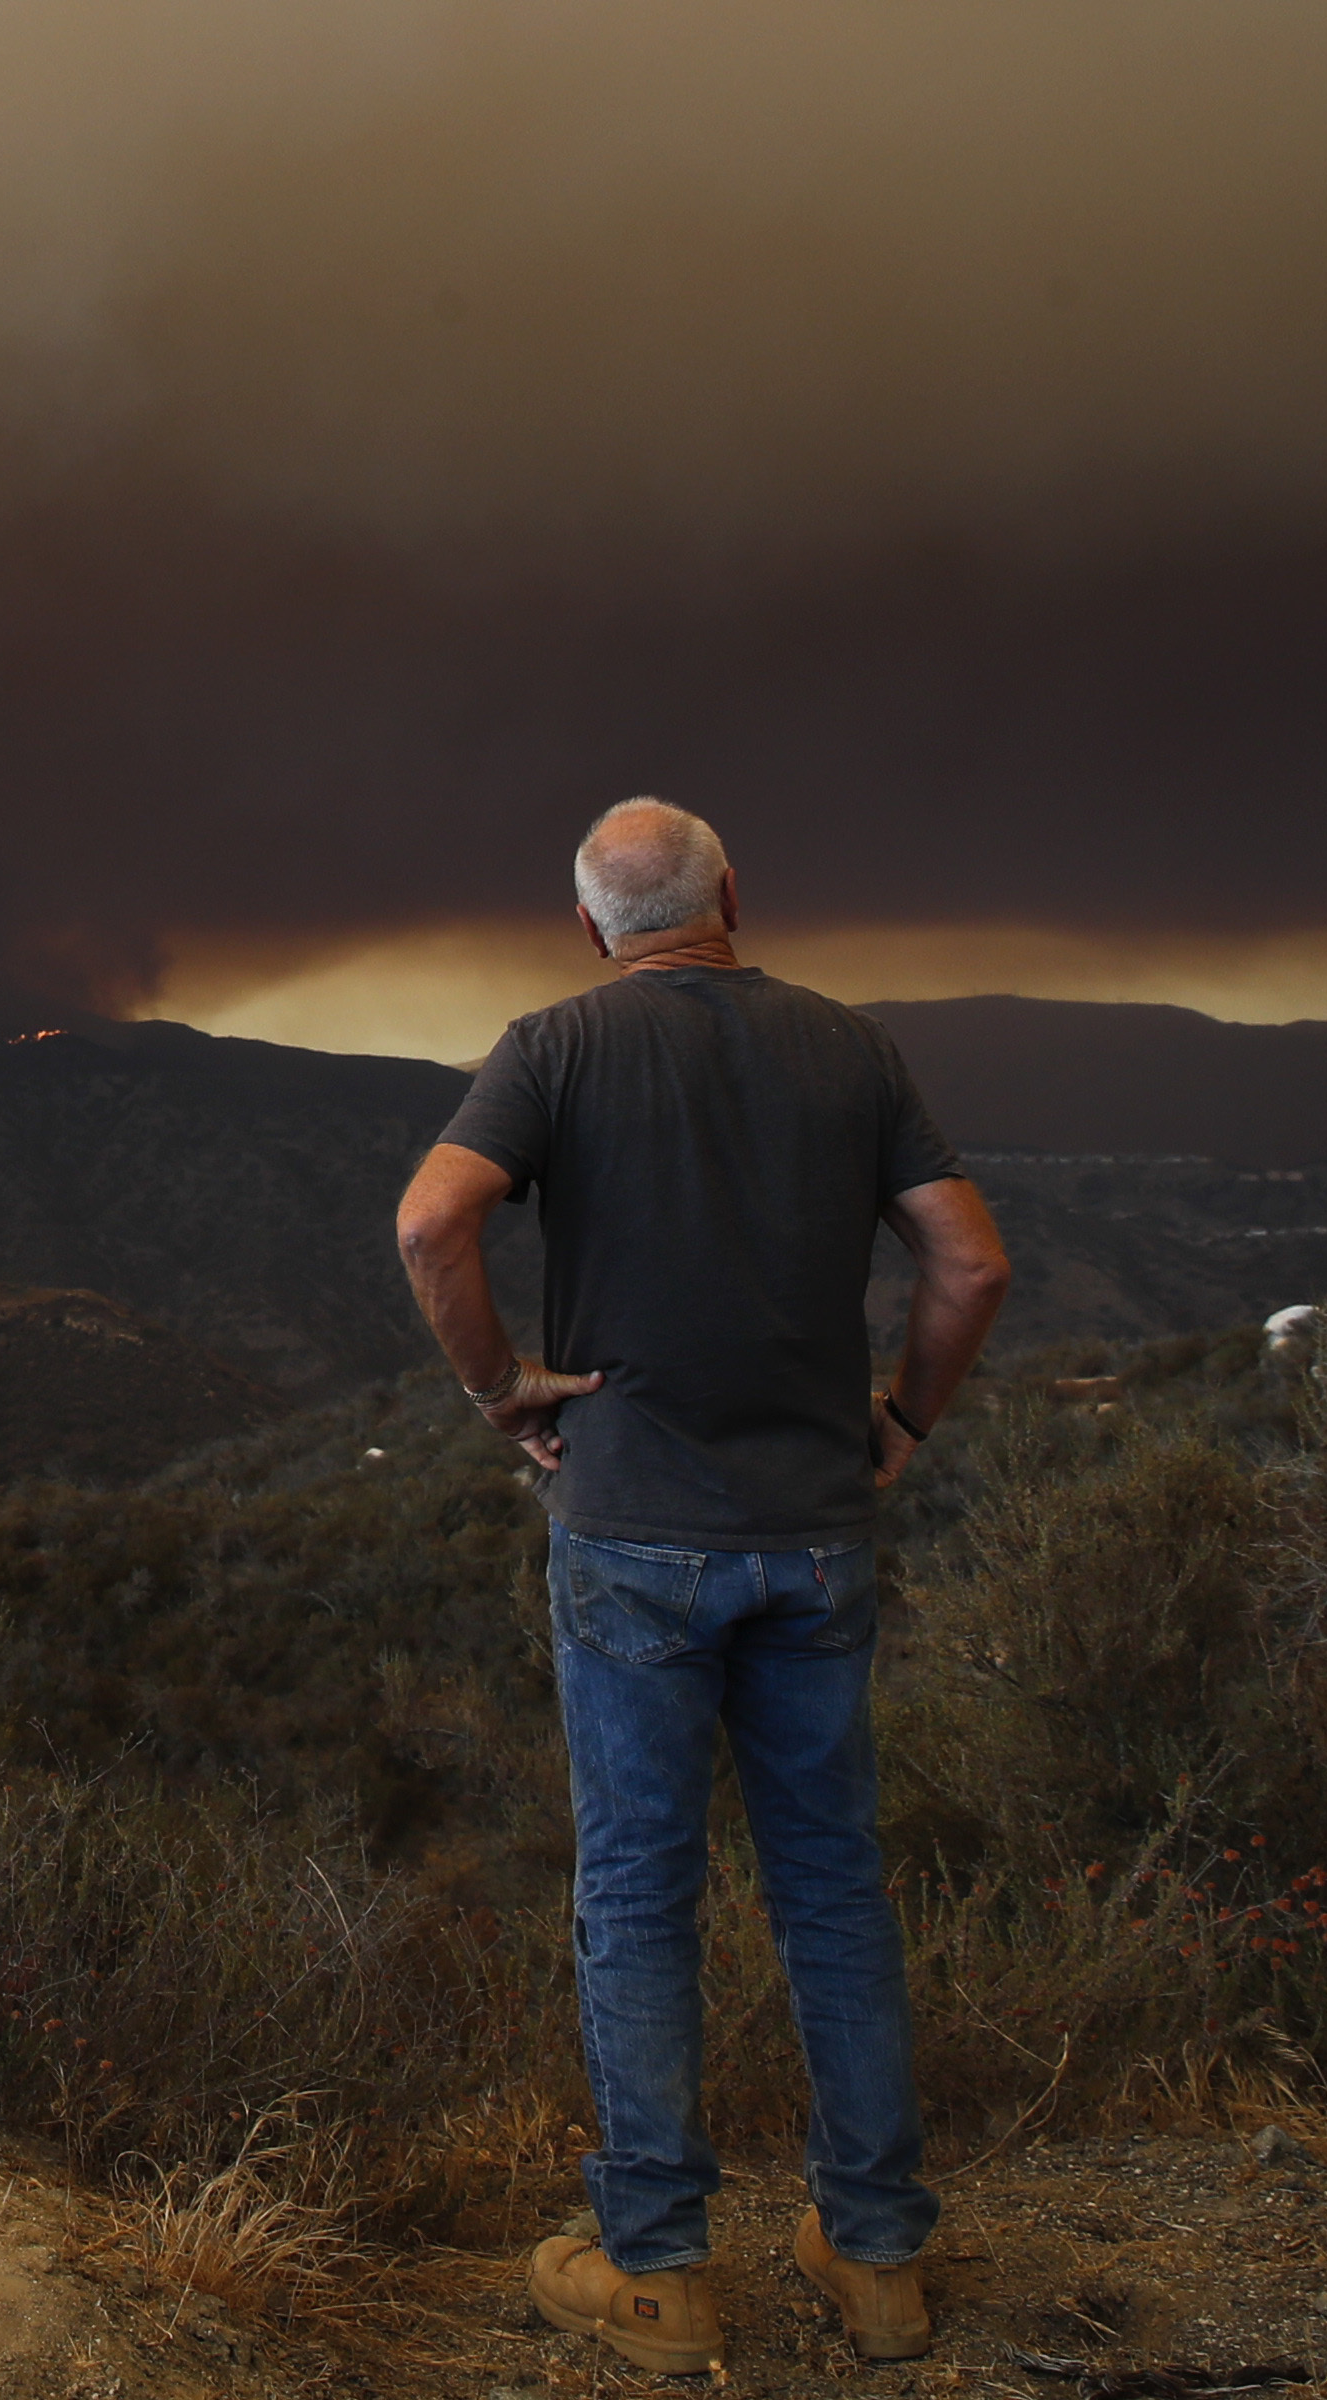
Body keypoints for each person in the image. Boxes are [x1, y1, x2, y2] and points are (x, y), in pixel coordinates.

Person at [392, 798, 1011, 2379]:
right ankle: (879, 2258)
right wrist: (904, 1421)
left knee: (637, 1893)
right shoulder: (853, 1049)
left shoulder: (556, 1046)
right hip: (816, 1536)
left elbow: (432, 1219)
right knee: (833, 1887)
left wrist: (500, 1393)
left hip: (633, 1535)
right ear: (735, 892)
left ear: (588, 926)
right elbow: (972, 1264)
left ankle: (660, 2274)